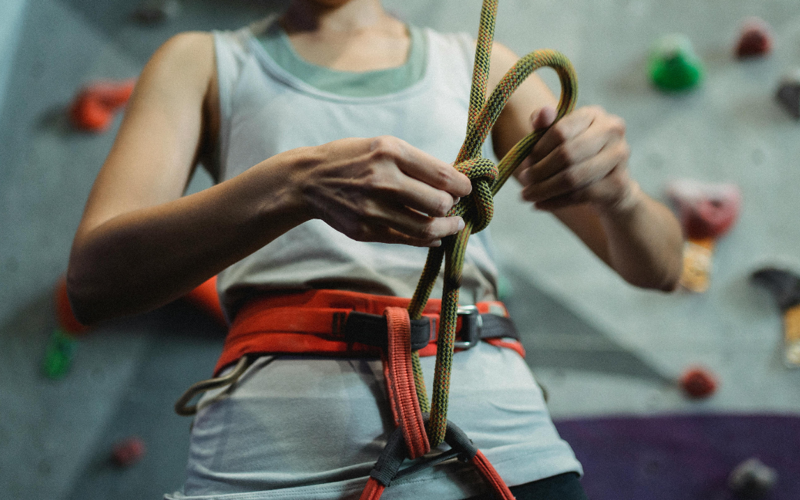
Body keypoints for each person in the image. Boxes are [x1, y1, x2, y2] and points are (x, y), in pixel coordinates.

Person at [66, 0, 684, 498]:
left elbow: (662, 266)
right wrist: (294, 184)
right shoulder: (204, 61)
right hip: (271, 465)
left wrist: (620, 195)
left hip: (504, 449)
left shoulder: (480, 65)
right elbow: (94, 283)